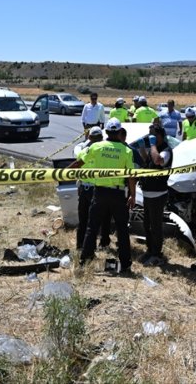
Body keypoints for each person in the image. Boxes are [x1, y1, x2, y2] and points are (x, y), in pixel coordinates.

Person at [75, 118, 137, 275]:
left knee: (92, 226)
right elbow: (131, 176)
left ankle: (85, 261)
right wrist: (132, 196)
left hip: (100, 192)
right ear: (118, 133)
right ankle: (125, 265)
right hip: (117, 194)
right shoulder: (126, 150)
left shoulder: (97, 146)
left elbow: (79, 162)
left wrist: (61, 174)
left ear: (107, 132)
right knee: (122, 230)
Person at [138, 121, 172, 266]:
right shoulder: (155, 148)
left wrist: (152, 145)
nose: (151, 137)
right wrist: (141, 148)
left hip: (158, 194)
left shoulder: (166, 150)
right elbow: (148, 161)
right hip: (147, 193)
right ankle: (150, 250)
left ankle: (157, 254)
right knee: (147, 225)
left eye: (154, 135)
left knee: (155, 226)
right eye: (150, 134)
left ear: (161, 136)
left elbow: (158, 161)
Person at [72, 126, 110, 250]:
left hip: (85, 189)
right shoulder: (105, 153)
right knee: (94, 222)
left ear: (89, 137)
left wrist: (62, 173)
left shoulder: (83, 151)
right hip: (97, 190)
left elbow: (77, 163)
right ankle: (92, 248)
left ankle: (80, 246)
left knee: (83, 221)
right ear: (102, 138)